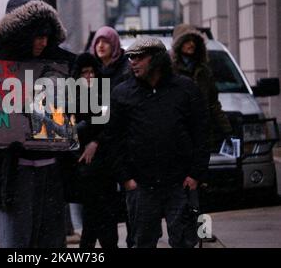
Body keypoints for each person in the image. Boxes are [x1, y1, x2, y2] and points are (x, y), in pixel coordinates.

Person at [0, 0, 74, 248]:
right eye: (36, 36)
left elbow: (85, 109)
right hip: (12, 174)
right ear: (20, 33)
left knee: (50, 245)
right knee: (17, 244)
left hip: (51, 170)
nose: (42, 42)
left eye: (46, 36)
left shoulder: (61, 63)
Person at [108, 37, 210, 248]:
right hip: (142, 185)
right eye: (130, 57)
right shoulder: (122, 93)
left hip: (180, 183)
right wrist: (126, 178)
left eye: (139, 57)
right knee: (142, 242)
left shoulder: (186, 89)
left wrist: (195, 174)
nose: (133, 62)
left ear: (156, 59)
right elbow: (114, 139)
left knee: (185, 241)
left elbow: (201, 133)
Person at [70, 52, 119, 249]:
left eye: (92, 72)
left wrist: (96, 141)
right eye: (84, 73)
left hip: (105, 163)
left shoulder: (104, 92)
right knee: (92, 215)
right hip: (83, 164)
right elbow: (68, 129)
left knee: (103, 215)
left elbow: (111, 125)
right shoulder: (72, 96)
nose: (89, 76)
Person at [89, 26, 132, 246]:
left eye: (105, 41)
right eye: (97, 42)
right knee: (103, 203)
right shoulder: (92, 71)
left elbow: (118, 114)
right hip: (102, 149)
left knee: (129, 202)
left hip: (123, 146)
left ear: (114, 44)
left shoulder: (126, 70)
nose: (101, 46)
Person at [171, 24, 232, 150]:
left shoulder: (204, 71)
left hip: (202, 135)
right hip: (178, 136)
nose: (192, 44)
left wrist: (227, 130)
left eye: (194, 41)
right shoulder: (170, 70)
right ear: (179, 44)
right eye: (187, 40)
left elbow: (213, 103)